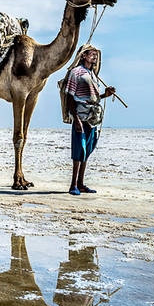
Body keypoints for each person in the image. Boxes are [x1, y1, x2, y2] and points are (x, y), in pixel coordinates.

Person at [62, 45, 115, 195]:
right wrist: (76, 119)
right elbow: (70, 97)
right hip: (81, 115)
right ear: (84, 55)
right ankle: (73, 185)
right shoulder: (76, 72)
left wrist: (105, 94)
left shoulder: (92, 74)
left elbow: (94, 97)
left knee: (87, 151)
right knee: (79, 150)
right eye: (92, 54)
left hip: (93, 118)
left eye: (96, 55)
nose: (95, 57)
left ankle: (81, 183)